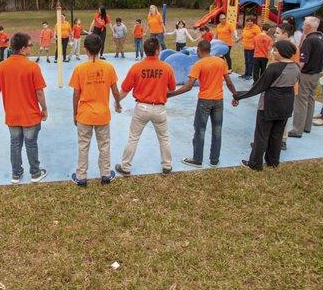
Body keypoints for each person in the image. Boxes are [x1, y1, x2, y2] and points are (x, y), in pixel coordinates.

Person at [0, 32, 49, 184]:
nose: (31, 48)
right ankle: (35, 173)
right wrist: (45, 109)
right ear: (22, 48)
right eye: (30, 46)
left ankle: (16, 174)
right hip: (30, 115)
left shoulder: (2, 66)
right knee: (31, 144)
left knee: (15, 144)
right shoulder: (32, 67)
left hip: (12, 115)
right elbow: (39, 92)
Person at [168, 40, 237, 167]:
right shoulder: (221, 62)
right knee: (217, 130)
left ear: (199, 50)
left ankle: (197, 160)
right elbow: (229, 82)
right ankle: (214, 160)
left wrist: (171, 94)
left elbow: (188, 86)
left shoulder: (198, 64)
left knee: (200, 130)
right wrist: (235, 95)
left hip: (204, 101)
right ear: (209, 50)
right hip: (218, 101)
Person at [233, 41, 300, 170]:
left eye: (275, 50)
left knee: (261, 135)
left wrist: (238, 95)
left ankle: (255, 163)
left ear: (282, 52)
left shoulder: (274, 67)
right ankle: (273, 161)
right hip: (286, 104)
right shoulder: (296, 67)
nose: (273, 52)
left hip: (269, 104)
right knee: (277, 134)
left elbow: (259, 87)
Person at [115, 38, 176, 176]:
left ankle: (125, 167)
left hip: (141, 107)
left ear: (145, 50)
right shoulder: (167, 68)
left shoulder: (136, 67)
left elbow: (124, 90)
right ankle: (167, 166)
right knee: (164, 138)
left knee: (133, 138)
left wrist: (116, 102)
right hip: (159, 108)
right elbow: (172, 88)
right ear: (157, 51)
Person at [69, 34, 122, 187]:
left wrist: (75, 113)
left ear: (85, 49)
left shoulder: (79, 68)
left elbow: (76, 94)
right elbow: (115, 90)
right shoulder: (108, 67)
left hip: (84, 114)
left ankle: (81, 176)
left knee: (83, 146)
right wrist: (117, 103)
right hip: (102, 114)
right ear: (100, 49)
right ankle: (105, 174)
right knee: (104, 145)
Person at [288, 16, 323, 138]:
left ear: (309, 27)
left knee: (300, 101)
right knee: (310, 99)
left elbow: (302, 61)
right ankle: (307, 126)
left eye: (304, 24)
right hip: (316, 74)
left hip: (306, 74)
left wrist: (294, 73)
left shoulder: (309, 40)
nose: (302, 27)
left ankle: (297, 129)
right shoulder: (321, 38)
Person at [275, 22, 300, 151]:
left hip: (286, 86)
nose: (275, 35)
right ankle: (275, 139)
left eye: (278, 33)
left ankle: (282, 139)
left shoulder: (291, 48)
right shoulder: (281, 45)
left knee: (284, 115)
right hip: (279, 86)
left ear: (285, 34)